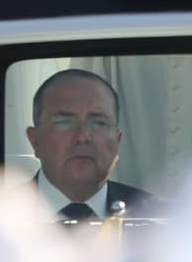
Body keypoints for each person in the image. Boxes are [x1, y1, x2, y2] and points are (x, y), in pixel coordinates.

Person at [24, 69, 155, 220]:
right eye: (64, 122)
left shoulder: (164, 219)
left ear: (117, 141)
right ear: (34, 140)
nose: (82, 137)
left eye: (98, 123)